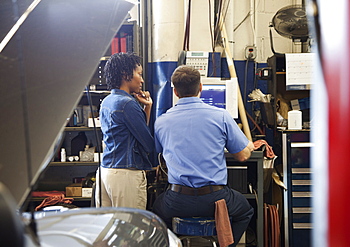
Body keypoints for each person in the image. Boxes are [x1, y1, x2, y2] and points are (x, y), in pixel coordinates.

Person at [152, 65, 255, 246]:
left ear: (175, 92)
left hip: (177, 200)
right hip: (215, 200)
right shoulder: (221, 116)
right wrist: (248, 146)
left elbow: (160, 151)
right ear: (201, 87)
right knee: (246, 211)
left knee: (155, 211)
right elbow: (242, 156)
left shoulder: (161, 121)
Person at [95, 52, 155, 209]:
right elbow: (147, 144)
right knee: (130, 227)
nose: (141, 80)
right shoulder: (127, 104)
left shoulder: (108, 101)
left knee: (108, 227)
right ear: (125, 74)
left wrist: (147, 108)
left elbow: (133, 133)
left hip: (106, 172)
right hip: (125, 175)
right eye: (139, 74)